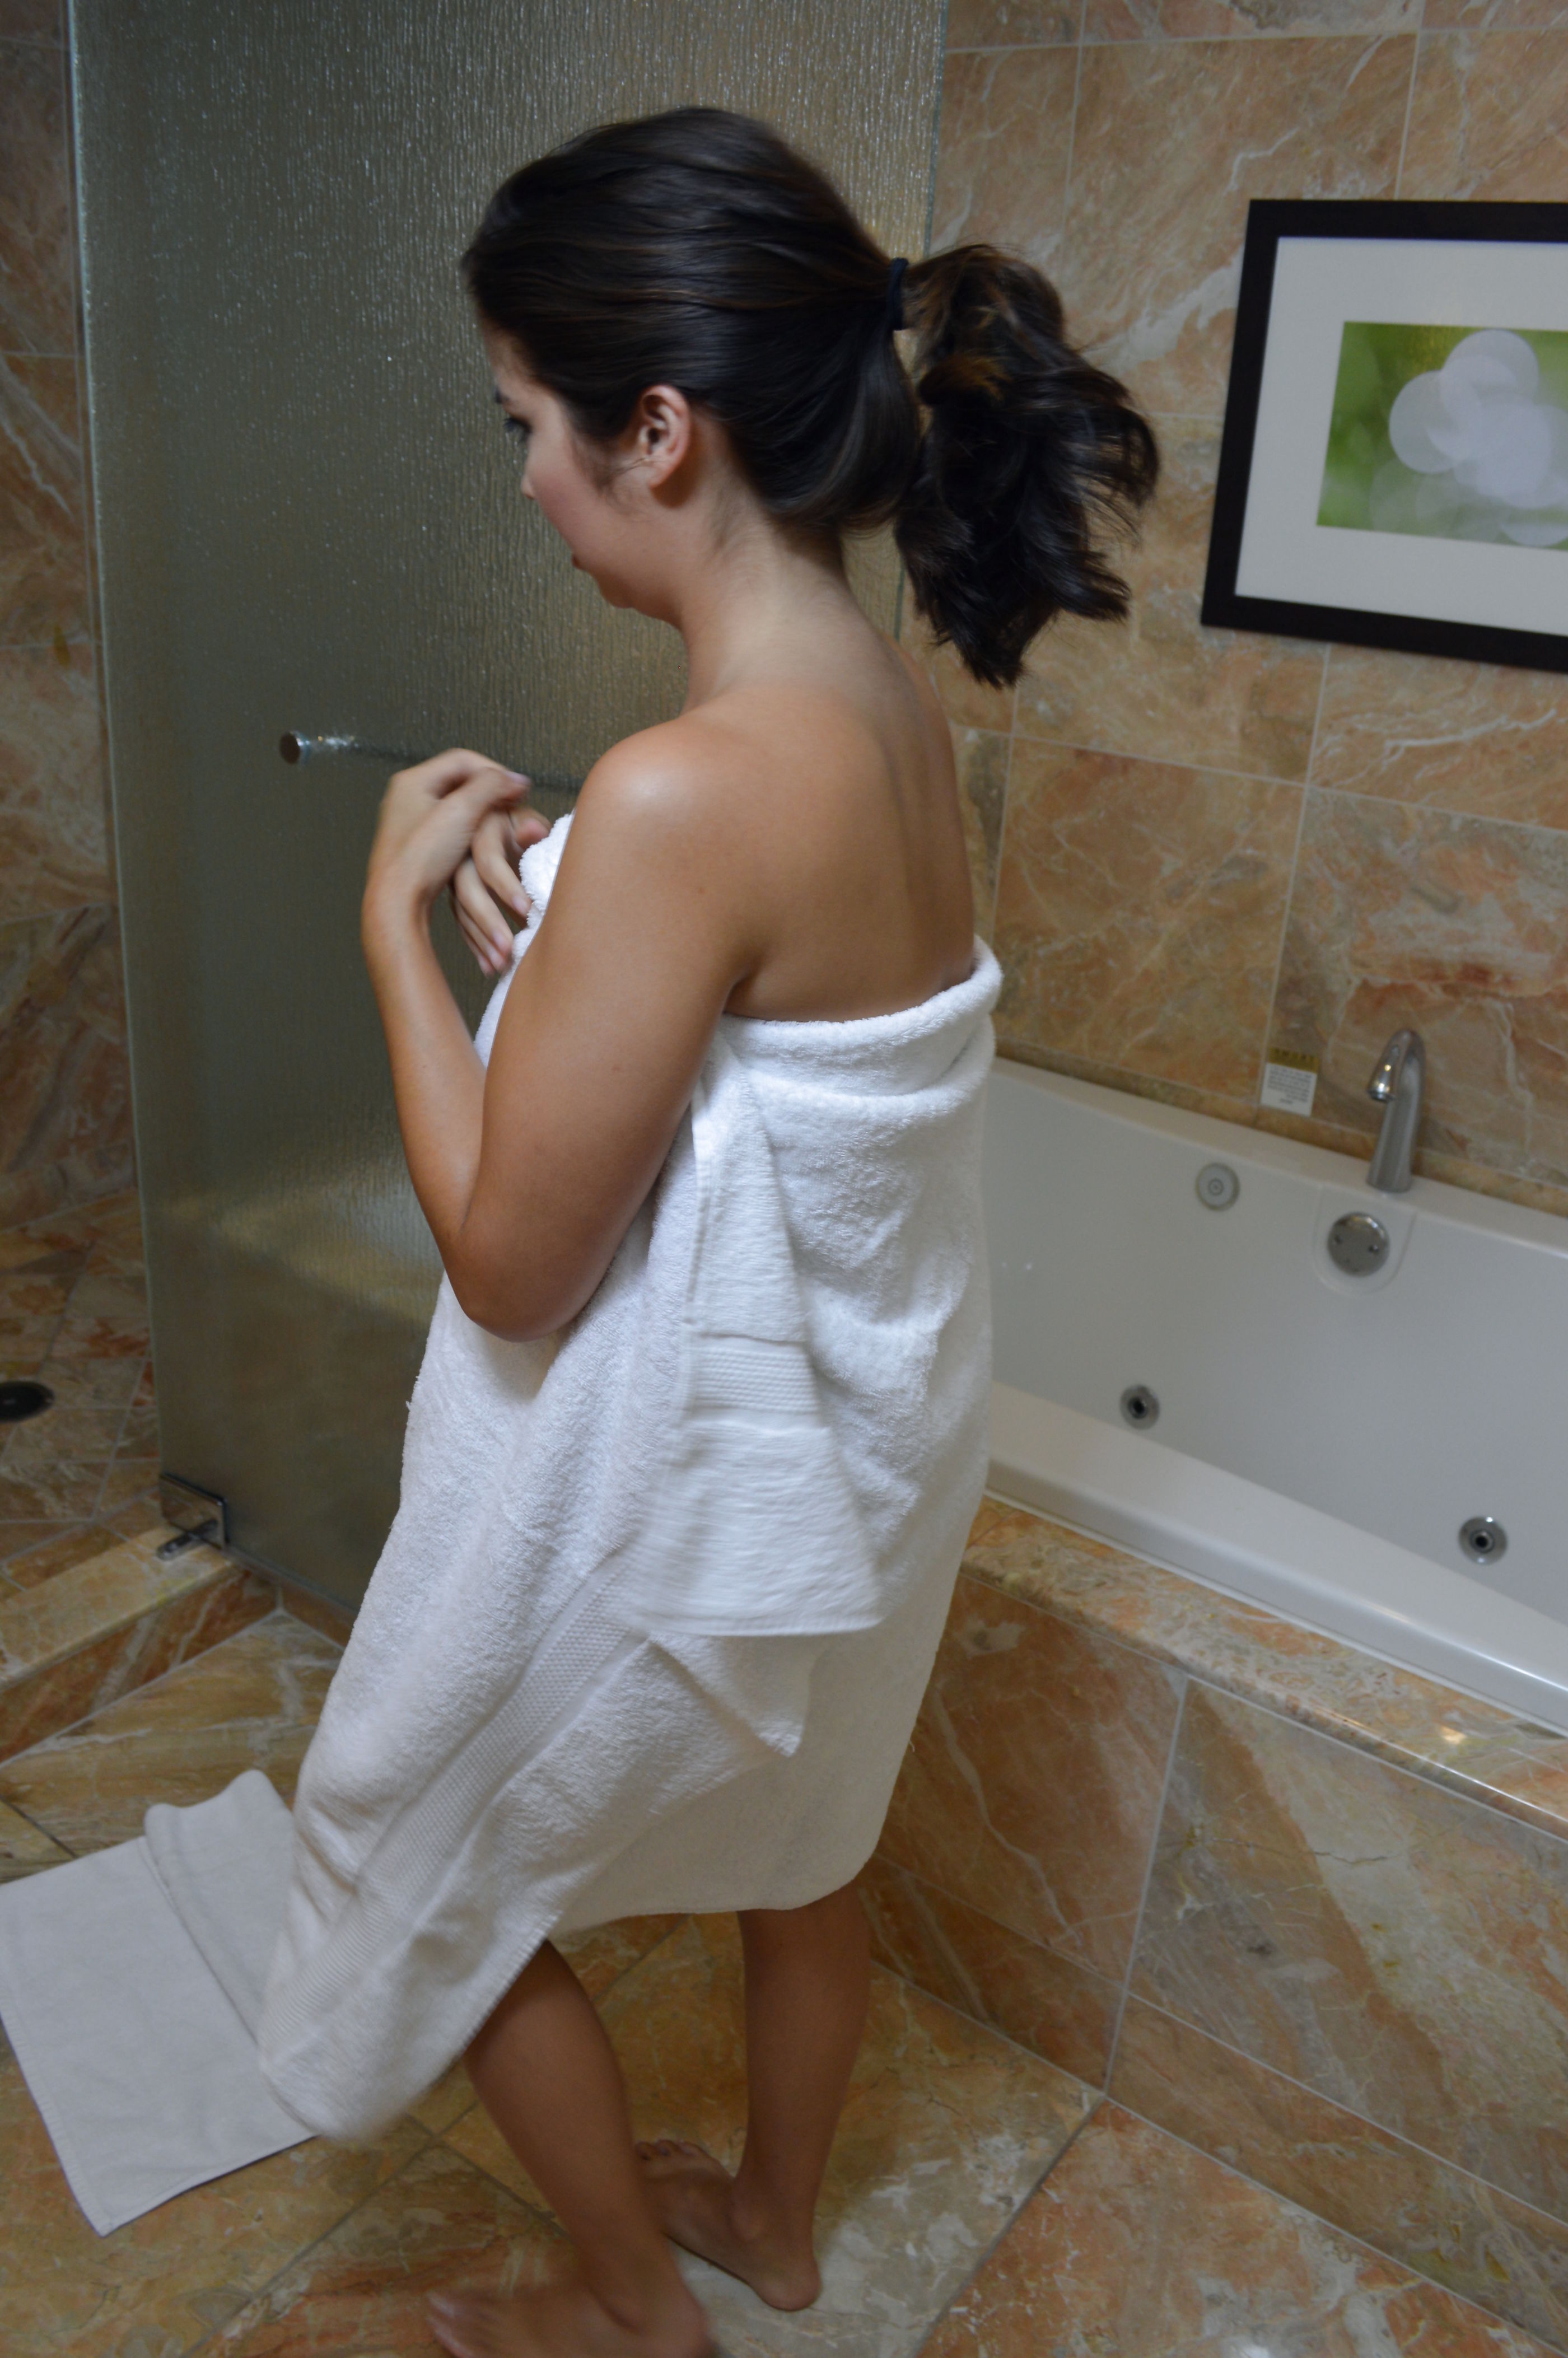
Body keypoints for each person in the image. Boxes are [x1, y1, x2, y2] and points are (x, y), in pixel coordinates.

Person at [274, 105, 1155, 2358]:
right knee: (804, 1845)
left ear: (655, 430)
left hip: (702, 1503)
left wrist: (397, 929)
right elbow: (772, 1019)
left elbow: (510, 1267)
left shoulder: (683, 794)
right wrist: (586, 916)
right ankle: (770, 2225)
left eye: (525, 424)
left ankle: (629, 2311)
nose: (524, 481)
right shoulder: (880, 713)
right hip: (865, 1463)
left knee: (434, 1862)